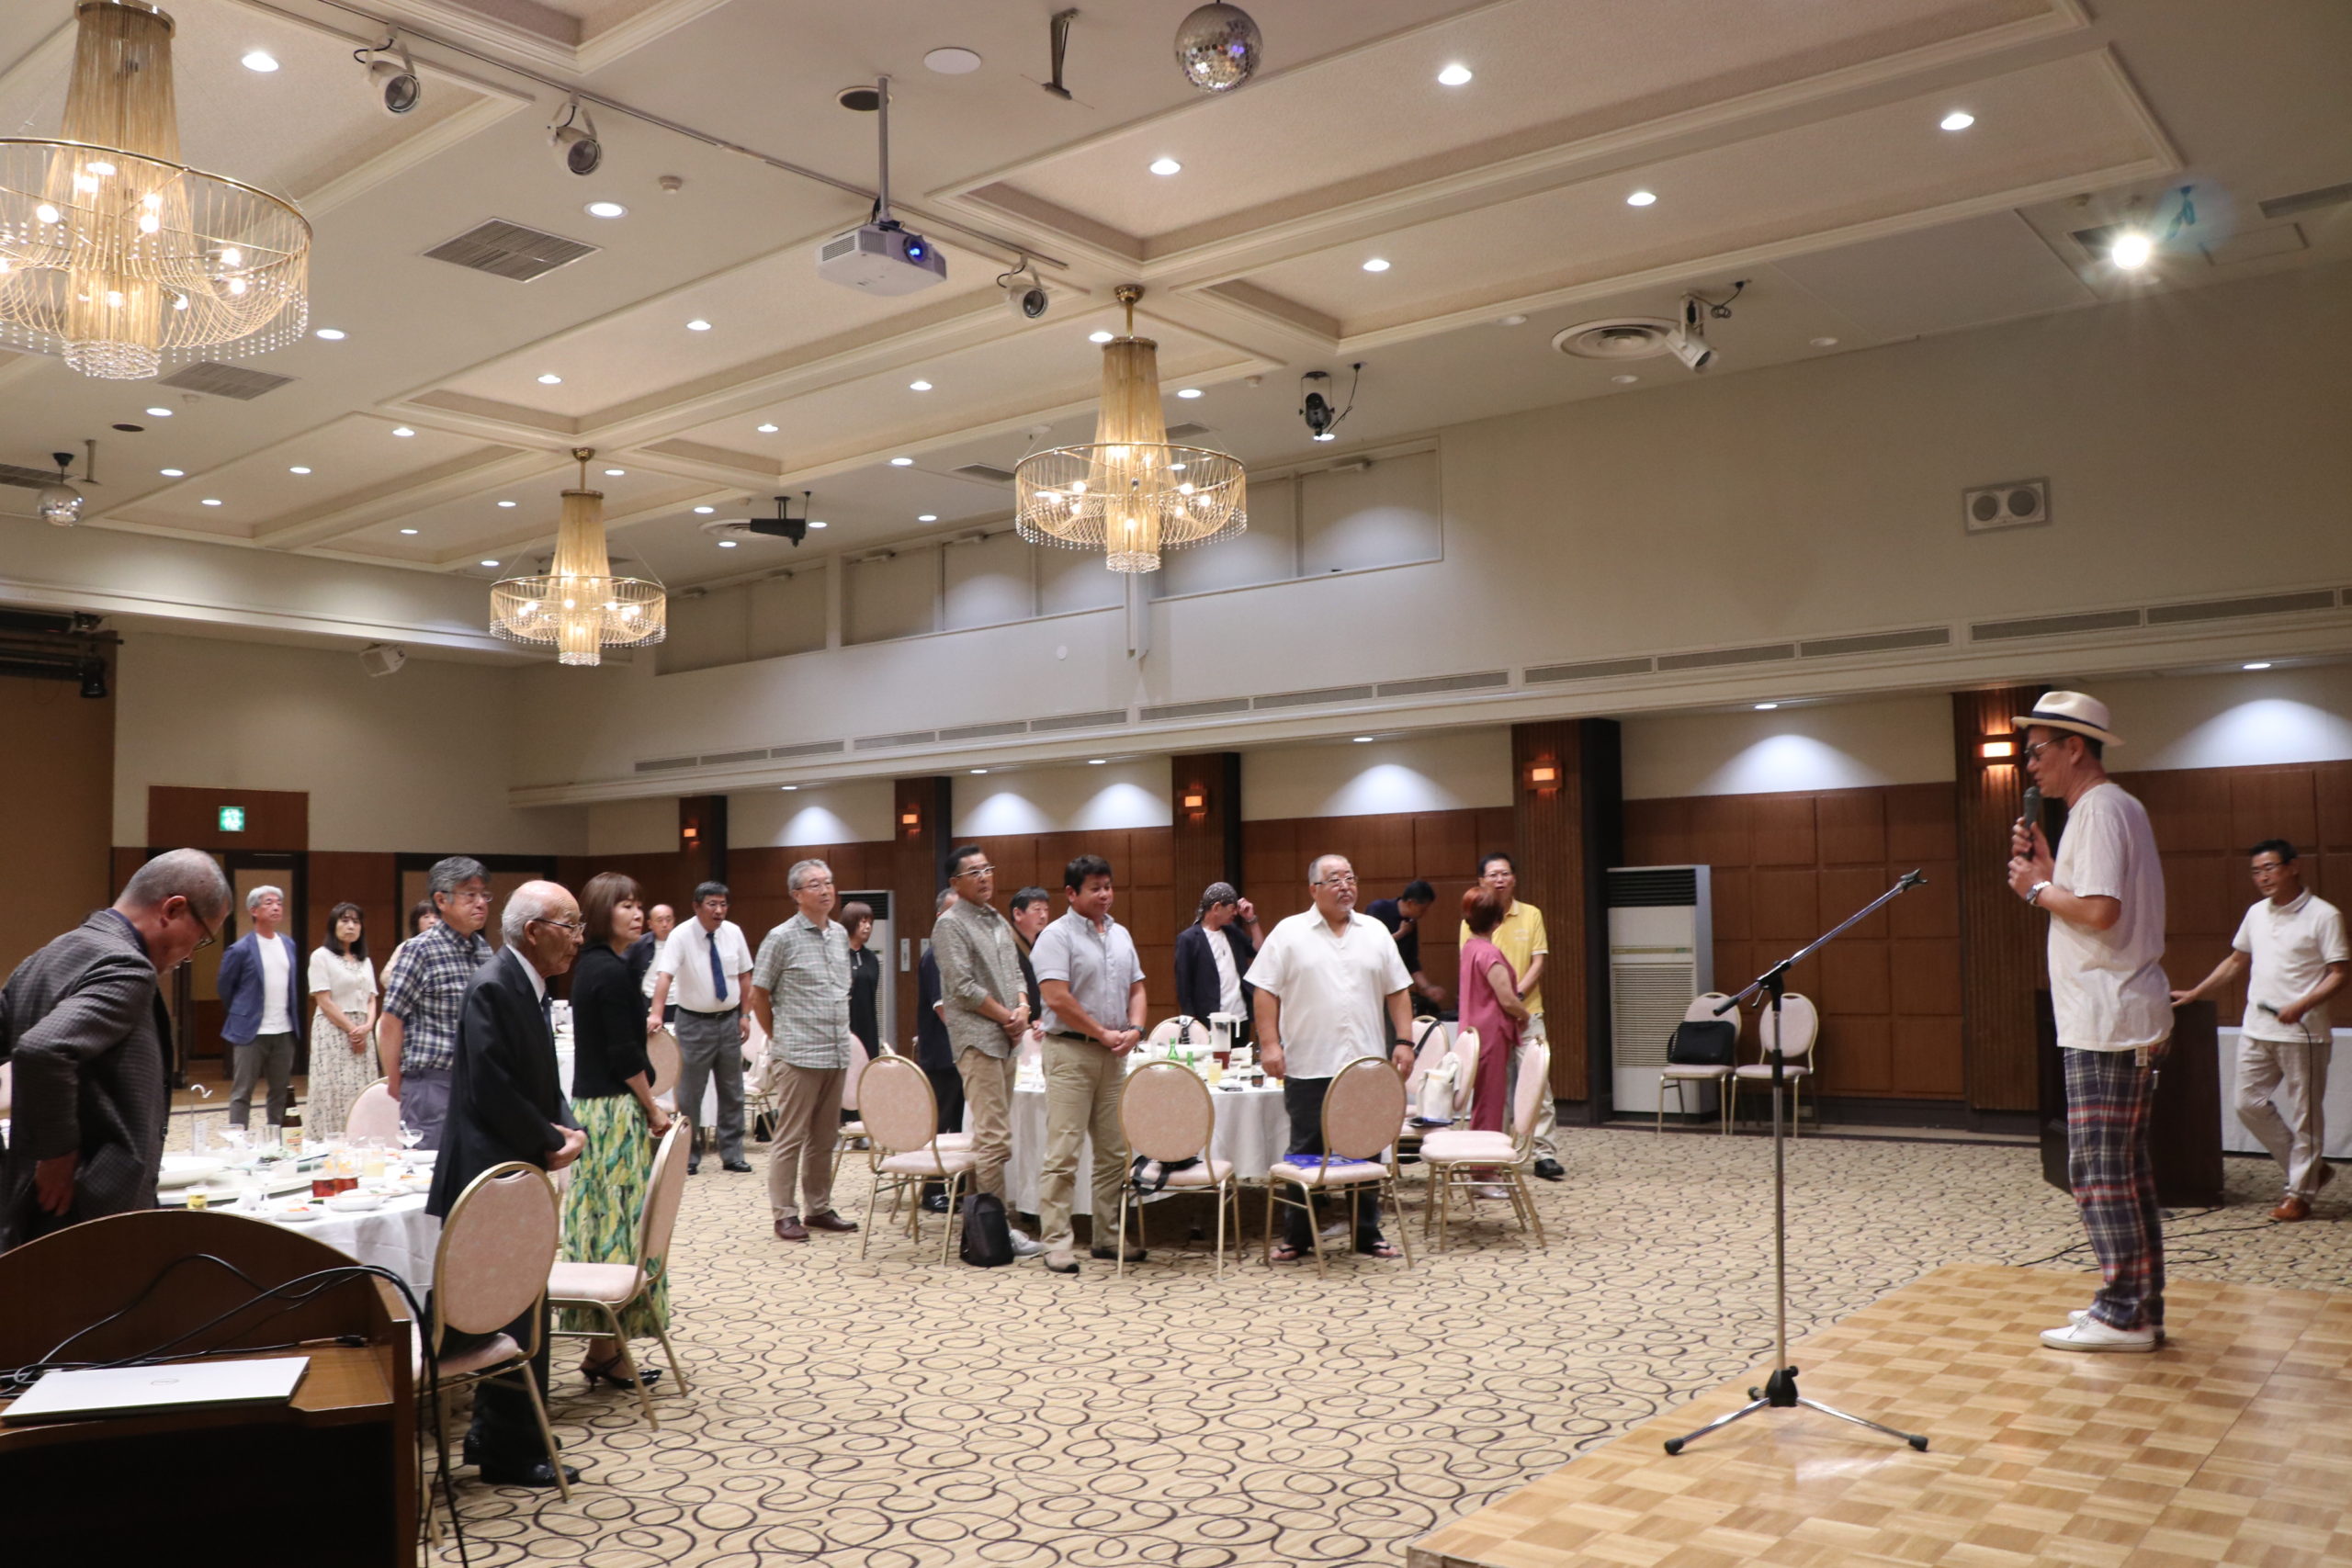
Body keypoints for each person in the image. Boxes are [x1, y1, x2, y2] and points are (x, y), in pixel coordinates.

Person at [2006, 691, 2171, 1352]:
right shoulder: (2109, 808)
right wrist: (2051, 875)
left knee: (2099, 1171)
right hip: (2116, 1011)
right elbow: (2092, 902)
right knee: (2124, 1171)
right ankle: (2137, 1305)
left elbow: (2101, 912)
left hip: (2108, 1016)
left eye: (2037, 751)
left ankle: (2124, 1313)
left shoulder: (2099, 809)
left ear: (2075, 747)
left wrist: (2033, 889)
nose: (2029, 766)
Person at [424, 881, 589, 1488]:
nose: (578, 938)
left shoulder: (527, 984)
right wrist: (549, 1138)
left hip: (513, 1169)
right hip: (490, 1175)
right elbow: (493, 1088)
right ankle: (508, 1448)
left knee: (521, 1305)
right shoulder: (495, 985)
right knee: (509, 1312)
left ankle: (504, 1434)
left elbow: (539, 1079)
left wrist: (565, 1125)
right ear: (534, 931)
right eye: (570, 926)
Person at [1, 849, 230, 1249]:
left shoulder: (45, 957)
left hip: (28, 1205)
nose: (192, 953)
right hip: (90, 1209)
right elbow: (42, 1050)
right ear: (173, 909)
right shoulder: (127, 966)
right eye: (202, 938)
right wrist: (56, 1154)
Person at [1248, 853, 1415, 1263]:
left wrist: (1405, 1040)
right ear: (1314, 889)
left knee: (1366, 1148)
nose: (1345, 886)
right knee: (1305, 1150)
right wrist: (1270, 1044)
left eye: (1350, 878)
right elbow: (1264, 990)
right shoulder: (1289, 932)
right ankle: (1297, 1236)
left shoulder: (1375, 932)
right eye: (1335, 879)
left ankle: (1367, 1232)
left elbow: (1398, 990)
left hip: (1365, 1067)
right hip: (1309, 1063)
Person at [2170, 839, 2346, 1221]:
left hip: (2303, 1032)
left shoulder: (2324, 915)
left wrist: (2302, 1004)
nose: (2263, 877)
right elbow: (2237, 961)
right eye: (2256, 871)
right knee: (2247, 1104)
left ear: (2293, 867)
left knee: (2306, 1115)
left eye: (2270, 868)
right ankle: (2311, 1171)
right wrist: (2197, 992)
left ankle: (2299, 1193)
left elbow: (2339, 973)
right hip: (2257, 1027)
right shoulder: (2256, 913)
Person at [560, 872, 671, 1389]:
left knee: (608, 1225)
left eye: (638, 903)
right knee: (618, 1228)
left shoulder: (599, 965)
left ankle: (603, 1351)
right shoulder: (609, 970)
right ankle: (605, 1350)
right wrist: (652, 1108)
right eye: (625, 905)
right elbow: (624, 1054)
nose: (636, 912)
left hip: (598, 1108)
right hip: (611, 1113)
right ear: (603, 912)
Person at [1033, 854, 1148, 1275]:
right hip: (1070, 1053)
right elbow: (1057, 997)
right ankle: (1057, 1241)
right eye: (1095, 888)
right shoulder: (1055, 936)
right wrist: (1102, 1032)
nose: (1105, 895)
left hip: (1113, 1055)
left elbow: (1138, 987)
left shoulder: (1120, 933)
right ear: (1071, 893)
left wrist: (1136, 1028)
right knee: (1064, 1152)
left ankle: (1108, 1235)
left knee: (1114, 1152)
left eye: (1108, 886)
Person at [932, 847, 1043, 1256]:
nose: (984, 877)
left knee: (990, 1138)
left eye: (988, 869)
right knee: (995, 1138)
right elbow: (962, 987)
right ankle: (1000, 1229)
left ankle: (980, 1227)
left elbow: (1016, 973)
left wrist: (1023, 1009)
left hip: (1007, 1037)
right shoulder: (949, 925)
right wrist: (1007, 1016)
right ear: (955, 883)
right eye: (974, 872)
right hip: (977, 1040)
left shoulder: (996, 918)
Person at [750, 859, 861, 1243]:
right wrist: (780, 1037)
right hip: (798, 1054)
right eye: (815, 884)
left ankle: (818, 1207)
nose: (826, 890)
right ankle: (784, 1213)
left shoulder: (839, 935)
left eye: (829, 882)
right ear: (797, 895)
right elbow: (759, 994)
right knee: (790, 1137)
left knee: (824, 1137)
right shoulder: (781, 937)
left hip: (835, 1051)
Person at [379, 856, 493, 1149]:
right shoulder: (420, 950)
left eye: (484, 894)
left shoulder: (483, 950)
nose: (481, 903)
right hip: (431, 1083)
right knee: (429, 1168)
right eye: (470, 895)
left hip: (478, 1082)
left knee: (474, 1169)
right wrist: (395, 1080)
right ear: (442, 900)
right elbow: (391, 1021)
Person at [1460, 853, 1563, 1181]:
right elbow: (1476, 968)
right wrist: (1507, 1001)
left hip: (1527, 1012)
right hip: (1494, 1021)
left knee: (1538, 1085)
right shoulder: (1472, 921)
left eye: (1505, 873)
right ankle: (1497, 1152)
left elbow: (1538, 962)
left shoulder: (1531, 914)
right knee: (1496, 1089)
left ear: (1514, 878)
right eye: (1493, 874)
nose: (1499, 879)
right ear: (1481, 881)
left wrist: (1515, 998)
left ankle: (1543, 1153)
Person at [649, 881, 754, 1176]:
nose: (719, 910)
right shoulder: (681, 935)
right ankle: (688, 1155)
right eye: (712, 904)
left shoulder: (733, 932)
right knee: (690, 1093)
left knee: (733, 1091)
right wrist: (656, 1013)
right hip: (693, 1023)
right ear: (697, 907)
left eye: (723, 904)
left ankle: (733, 1154)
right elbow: (665, 976)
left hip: (729, 1021)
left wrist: (745, 1015)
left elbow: (745, 976)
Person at [215, 885, 302, 1135]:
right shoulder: (240, 949)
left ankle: (276, 1140)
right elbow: (225, 988)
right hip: (251, 1032)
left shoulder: (288, 944)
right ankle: (238, 1141)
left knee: (280, 1091)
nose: (276, 907)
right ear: (254, 910)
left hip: (284, 1030)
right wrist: (245, 1013)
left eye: (279, 903)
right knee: (242, 1092)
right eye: (269, 903)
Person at [1459, 886, 1530, 1197]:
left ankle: (1482, 1168)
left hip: (1473, 1034)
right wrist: (1524, 1014)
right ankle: (1483, 1174)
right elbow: (1507, 999)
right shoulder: (1490, 954)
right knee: (1490, 1104)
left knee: (1482, 1104)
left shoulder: (1470, 948)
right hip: (1491, 1036)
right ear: (1498, 921)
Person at [305, 902, 379, 1141]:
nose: (350, 926)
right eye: (344, 920)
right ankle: (331, 1142)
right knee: (334, 1089)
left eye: (356, 922)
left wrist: (368, 1026)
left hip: (363, 1031)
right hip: (333, 1029)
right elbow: (324, 1000)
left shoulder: (364, 961)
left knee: (361, 1087)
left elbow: (372, 998)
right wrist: (352, 1030)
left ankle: (361, 1139)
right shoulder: (321, 956)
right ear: (333, 925)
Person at [914, 888, 963, 1213]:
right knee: (941, 1123)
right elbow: (943, 1010)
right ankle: (931, 1191)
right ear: (940, 917)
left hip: (960, 1054)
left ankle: (959, 1188)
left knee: (960, 1125)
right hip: (942, 1055)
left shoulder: (958, 954)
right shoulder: (936, 956)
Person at [1174, 882, 1261, 1040]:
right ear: (1216, 908)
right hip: (1209, 1021)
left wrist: (1252, 920)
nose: (1236, 913)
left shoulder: (1232, 932)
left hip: (1240, 1019)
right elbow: (1183, 987)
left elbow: (1258, 950)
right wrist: (1191, 1023)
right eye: (1232, 908)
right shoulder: (1189, 939)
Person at [1367, 880, 1446, 1010]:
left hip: (1395, 986)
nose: (1424, 914)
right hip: (1373, 985)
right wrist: (1401, 933)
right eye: (1422, 909)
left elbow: (1411, 962)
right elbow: (1369, 946)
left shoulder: (1410, 923)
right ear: (1410, 903)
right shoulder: (1378, 908)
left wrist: (1427, 988)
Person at [842, 900, 883, 1059]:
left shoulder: (871, 958)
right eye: (863, 922)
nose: (868, 927)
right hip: (846, 1026)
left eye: (870, 923)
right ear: (851, 922)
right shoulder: (839, 955)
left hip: (868, 1027)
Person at [1009, 886, 1052, 1028]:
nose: (1043, 915)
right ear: (1018, 914)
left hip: (1039, 1022)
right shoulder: (1005, 945)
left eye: (1046, 910)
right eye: (1037, 909)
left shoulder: (1047, 942)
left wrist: (1043, 1017)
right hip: (1014, 1022)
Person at [633, 903, 676, 1025]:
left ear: (674, 921)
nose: (665, 924)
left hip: (677, 1003)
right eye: (659, 920)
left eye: (668, 919)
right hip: (648, 1001)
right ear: (650, 924)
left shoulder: (682, 942)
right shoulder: (639, 944)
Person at [383, 898, 437, 987]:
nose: (432, 921)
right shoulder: (407, 946)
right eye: (426, 917)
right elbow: (386, 976)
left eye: (436, 917)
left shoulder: (447, 946)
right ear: (416, 922)